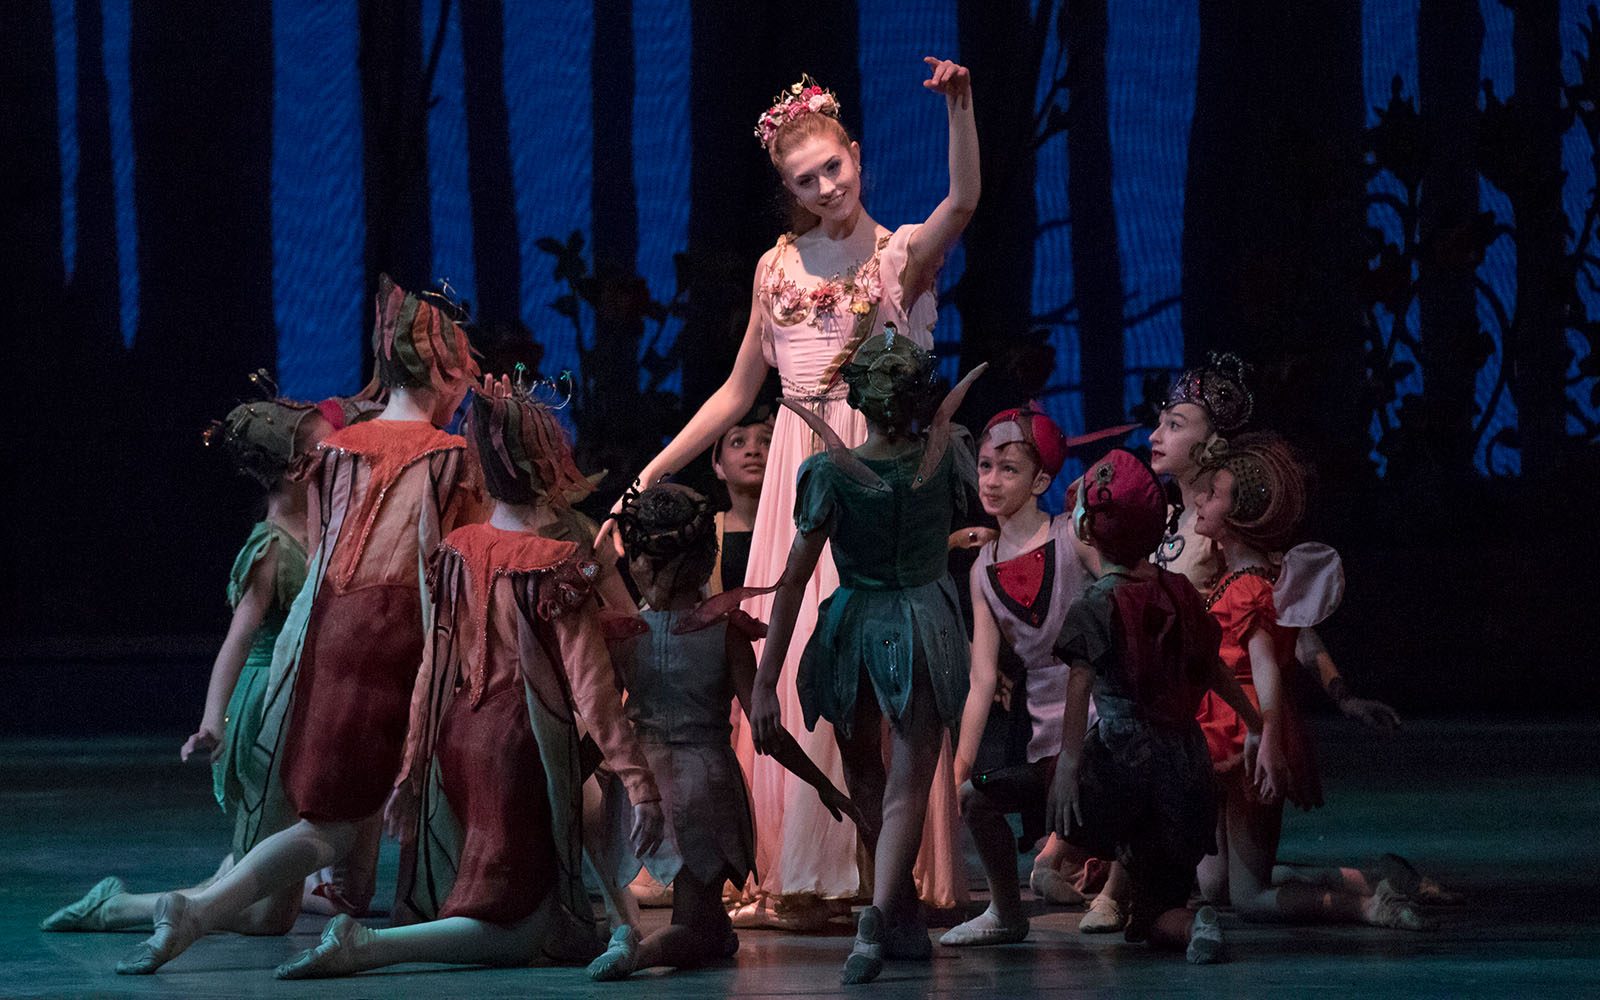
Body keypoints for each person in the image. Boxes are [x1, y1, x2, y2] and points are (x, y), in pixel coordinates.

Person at [611, 59, 980, 930]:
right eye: (804, 179)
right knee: (796, 650)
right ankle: (803, 867)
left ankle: (878, 874)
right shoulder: (777, 267)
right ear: (787, 186)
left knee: (871, 661)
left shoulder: (898, 257)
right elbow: (739, 392)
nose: (825, 187)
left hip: (870, 469)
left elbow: (962, 201)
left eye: (834, 167)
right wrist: (653, 470)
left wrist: (960, 107)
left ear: (856, 153)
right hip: (795, 469)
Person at [115, 275, 485, 975]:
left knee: (345, 816)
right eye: (462, 372)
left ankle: (204, 905)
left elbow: (322, 563)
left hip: (328, 634)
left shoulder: (341, 452)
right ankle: (198, 909)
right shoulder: (449, 458)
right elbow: (455, 570)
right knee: (337, 823)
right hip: (394, 635)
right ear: (439, 370)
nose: (465, 387)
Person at [274, 376, 665, 979]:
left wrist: (411, 769)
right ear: (547, 460)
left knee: (539, 891)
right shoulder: (557, 564)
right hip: (517, 745)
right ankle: (369, 947)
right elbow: (590, 688)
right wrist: (639, 781)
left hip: (462, 735)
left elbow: (433, 670)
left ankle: (622, 928)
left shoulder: (459, 549)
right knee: (515, 930)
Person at [43, 392, 334, 936]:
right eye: (326, 450)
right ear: (297, 467)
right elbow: (238, 641)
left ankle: (190, 892)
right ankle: (120, 908)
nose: (337, 456)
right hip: (269, 706)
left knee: (271, 887)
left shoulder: (316, 525)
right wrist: (212, 720)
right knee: (268, 915)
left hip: (305, 707)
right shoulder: (271, 547)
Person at [751, 333, 982, 984]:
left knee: (872, 785)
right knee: (907, 787)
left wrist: (767, 679)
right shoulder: (946, 457)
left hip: (854, 627)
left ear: (858, 398)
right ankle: (893, 915)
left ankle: (884, 916)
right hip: (924, 626)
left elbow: (793, 581)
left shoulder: (829, 473)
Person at [587, 484, 860, 980]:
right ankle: (638, 951)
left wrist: (563, 778)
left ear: (641, 563)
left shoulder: (624, 636)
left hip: (645, 783)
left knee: (711, 932)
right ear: (704, 558)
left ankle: (639, 937)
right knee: (696, 925)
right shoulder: (725, 632)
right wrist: (822, 782)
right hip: (704, 787)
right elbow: (767, 732)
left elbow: (604, 728)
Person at [1189, 433, 1429, 930]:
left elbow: (1267, 669)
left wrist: (1266, 735)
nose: (1199, 499)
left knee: (1248, 898)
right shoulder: (1239, 581)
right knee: (1214, 886)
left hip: (1247, 732)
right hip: (1230, 728)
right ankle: (1363, 879)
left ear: (1236, 519)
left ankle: (1366, 907)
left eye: (1211, 495)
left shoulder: (1250, 589)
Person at [1048, 448, 1262, 963]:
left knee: (983, 795)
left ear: (1089, 531)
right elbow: (1212, 667)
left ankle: (1005, 911)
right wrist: (1256, 723)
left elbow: (1080, 684)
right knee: (1152, 913)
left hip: (1122, 765)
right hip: (1184, 768)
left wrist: (1069, 765)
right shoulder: (1182, 590)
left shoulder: (1096, 604)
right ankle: (1195, 925)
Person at [941, 408, 1132, 946]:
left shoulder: (1072, 538)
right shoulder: (982, 568)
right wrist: (958, 767)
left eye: (1009, 469)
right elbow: (982, 679)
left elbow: (1126, 596)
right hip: (1046, 727)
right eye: (984, 467)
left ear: (1041, 480)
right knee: (978, 799)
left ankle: (1117, 891)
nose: (992, 480)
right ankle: (1006, 912)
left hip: (1103, 713)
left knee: (1119, 800)